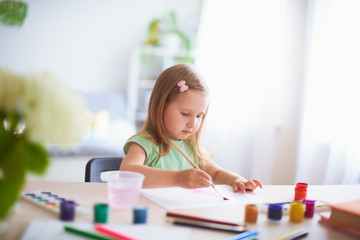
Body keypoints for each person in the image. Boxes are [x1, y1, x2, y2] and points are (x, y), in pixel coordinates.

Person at [120, 64, 262, 193]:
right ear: (160, 107)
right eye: (186, 114)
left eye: (200, 116)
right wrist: (177, 178)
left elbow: (215, 174)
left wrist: (237, 180)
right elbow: (127, 172)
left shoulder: (189, 146)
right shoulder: (145, 143)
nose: (193, 123)